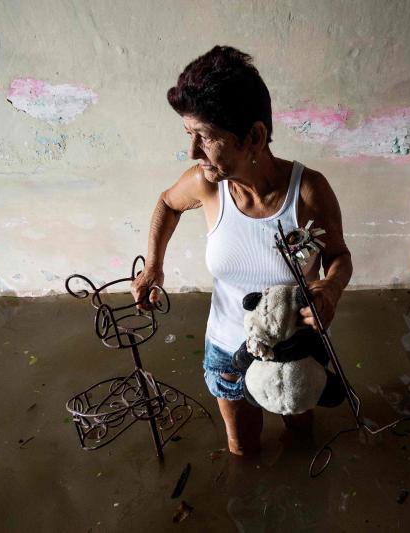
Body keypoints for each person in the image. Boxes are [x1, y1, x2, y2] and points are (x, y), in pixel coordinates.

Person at [130, 46, 353, 456]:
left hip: (293, 345)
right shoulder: (205, 184)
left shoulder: (308, 192)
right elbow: (166, 204)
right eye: (189, 135)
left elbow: (339, 255)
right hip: (225, 346)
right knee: (243, 450)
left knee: (301, 437)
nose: (193, 153)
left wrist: (331, 290)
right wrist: (153, 267)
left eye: (207, 137)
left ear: (254, 136)